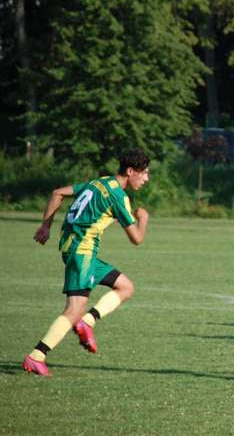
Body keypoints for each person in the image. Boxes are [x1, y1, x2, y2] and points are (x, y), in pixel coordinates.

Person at [23, 148, 151, 376]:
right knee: (74, 309)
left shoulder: (100, 182)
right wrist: (143, 219)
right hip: (82, 252)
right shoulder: (118, 196)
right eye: (144, 173)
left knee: (126, 287)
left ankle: (88, 321)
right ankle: (36, 356)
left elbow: (57, 193)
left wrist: (45, 226)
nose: (146, 178)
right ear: (131, 171)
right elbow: (137, 239)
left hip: (78, 250)